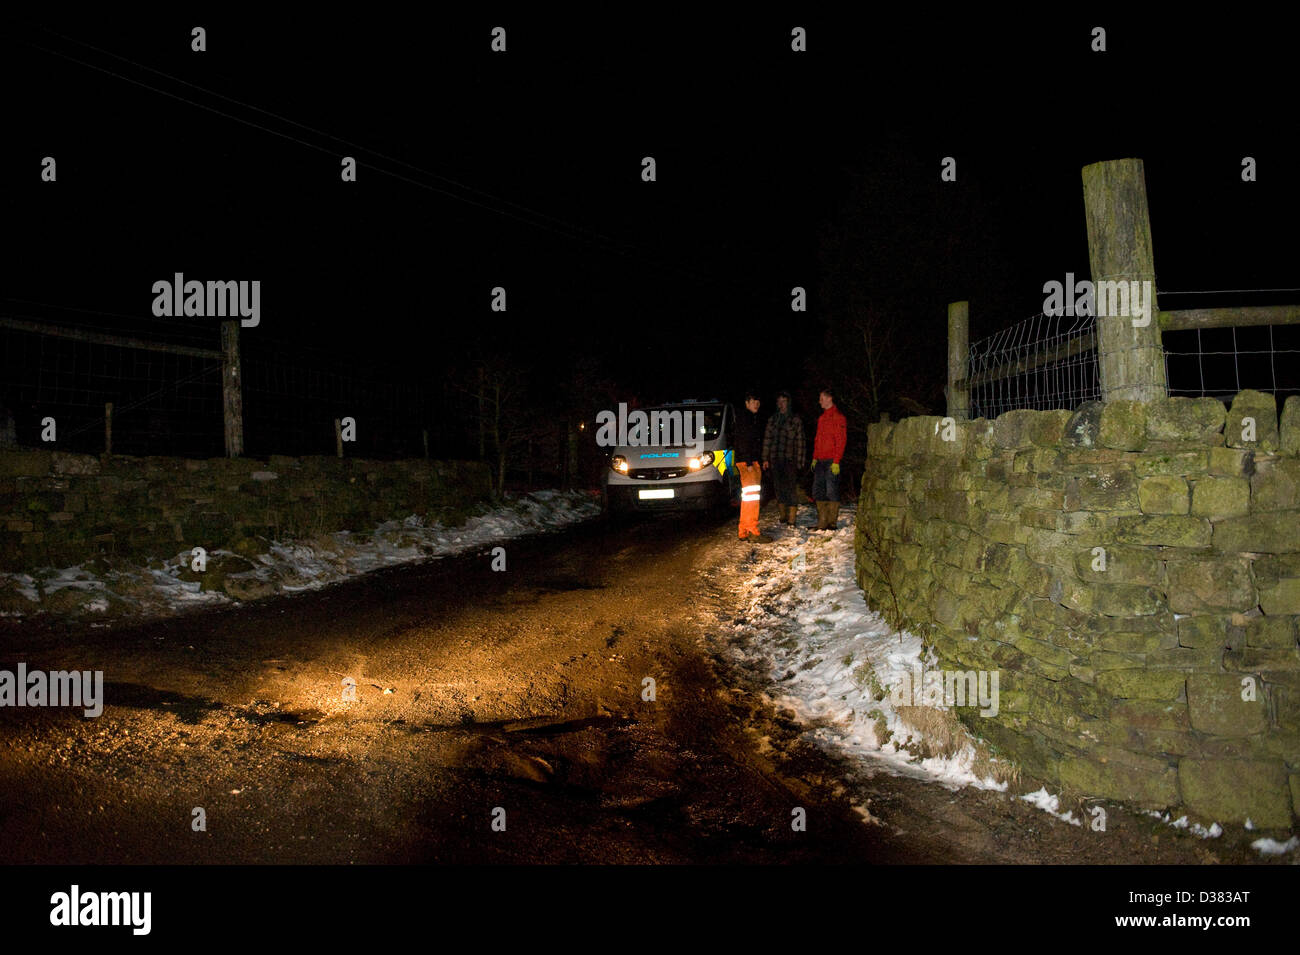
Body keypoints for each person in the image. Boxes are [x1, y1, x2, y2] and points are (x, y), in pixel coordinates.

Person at [762, 390, 805, 527]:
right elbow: (767, 440)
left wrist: (800, 461)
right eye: (779, 401)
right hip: (775, 459)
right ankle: (783, 515)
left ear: (788, 402)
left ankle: (792, 518)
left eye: (784, 401)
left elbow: (800, 441)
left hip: (790, 460)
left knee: (790, 488)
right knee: (778, 488)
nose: (781, 404)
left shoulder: (795, 419)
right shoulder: (772, 420)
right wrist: (765, 458)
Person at [734, 391, 771, 543]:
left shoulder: (751, 418)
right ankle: (752, 530)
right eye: (753, 401)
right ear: (747, 403)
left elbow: (754, 442)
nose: (757, 404)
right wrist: (749, 462)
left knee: (748, 497)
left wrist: (761, 459)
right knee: (752, 498)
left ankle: (743, 530)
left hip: (750, 461)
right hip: (747, 463)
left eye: (758, 401)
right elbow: (743, 441)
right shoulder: (745, 419)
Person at [810, 387, 847, 530]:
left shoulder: (839, 417)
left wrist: (837, 461)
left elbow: (841, 440)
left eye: (822, 398)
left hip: (831, 460)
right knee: (817, 490)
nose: (819, 402)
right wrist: (814, 457)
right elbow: (817, 439)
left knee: (831, 490)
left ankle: (832, 523)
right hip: (820, 460)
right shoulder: (822, 418)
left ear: (829, 398)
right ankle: (822, 522)